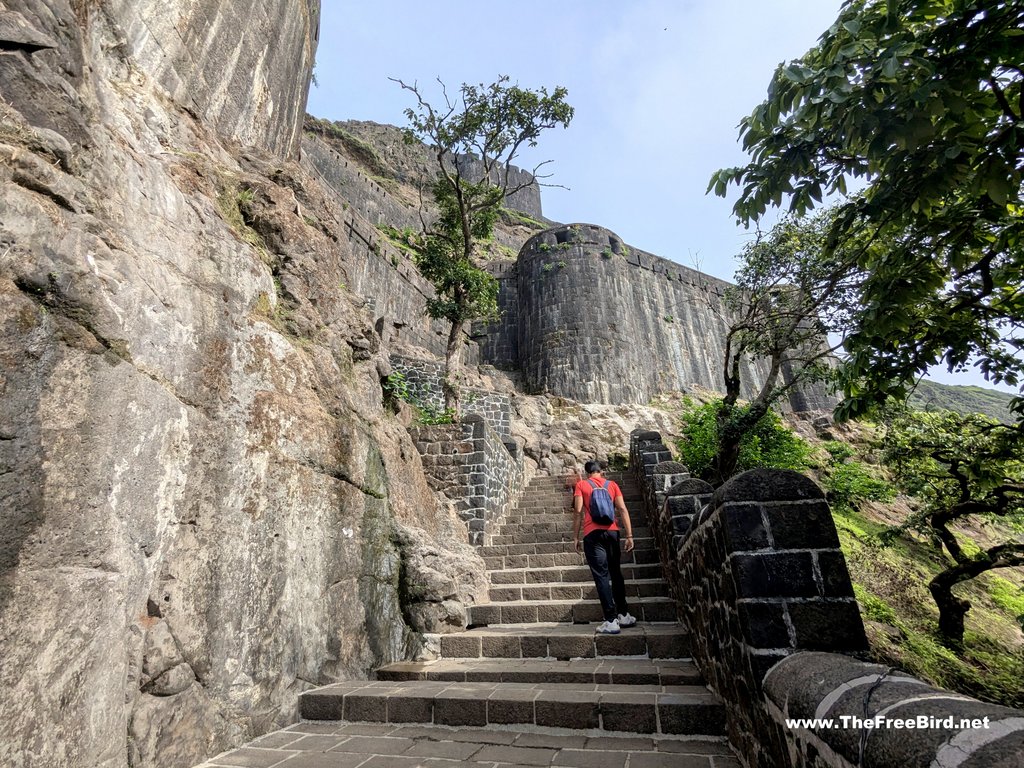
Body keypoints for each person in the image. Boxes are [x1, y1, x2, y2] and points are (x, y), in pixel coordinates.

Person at [572, 460, 637, 635]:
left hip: (592, 534)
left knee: (601, 575)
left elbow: (578, 511)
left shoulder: (582, 485)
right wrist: (629, 535)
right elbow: (622, 509)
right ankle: (623, 615)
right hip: (612, 532)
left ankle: (610, 620)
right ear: (601, 472)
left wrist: (576, 537)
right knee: (616, 572)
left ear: (587, 473)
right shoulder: (612, 485)